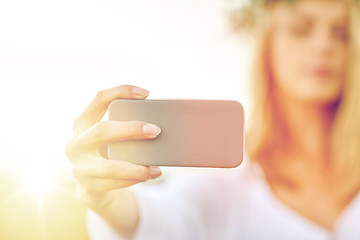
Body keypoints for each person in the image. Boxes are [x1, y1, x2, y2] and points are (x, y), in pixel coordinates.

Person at [64, 0, 360, 239]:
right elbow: (157, 221)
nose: (323, 45)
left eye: (343, 33)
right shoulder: (221, 186)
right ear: (267, 42)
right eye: (301, 29)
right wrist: (104, 196)